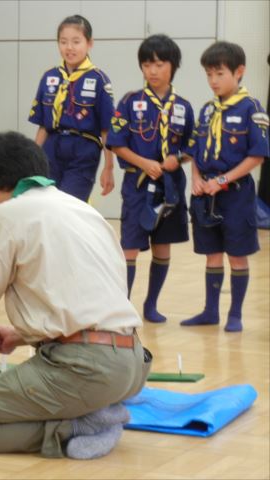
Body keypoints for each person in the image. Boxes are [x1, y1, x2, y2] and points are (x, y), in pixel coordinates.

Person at [0, 132, 151, 459]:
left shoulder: (5, 214)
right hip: (133, 363)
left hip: (84, 370)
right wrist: (23, 335)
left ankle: (77, 427)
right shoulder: (84, 210)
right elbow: (93, 307)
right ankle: (93, 411)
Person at [181, 41, 269, 332]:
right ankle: (210, 311)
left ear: (239, 71)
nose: (213, 81)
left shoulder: (251, 109)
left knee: (237, 252)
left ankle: (235, 315)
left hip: (235, 194)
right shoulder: (207, 111)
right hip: (206, 195)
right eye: (209, 74)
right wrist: (196, 178)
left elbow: (257, 155)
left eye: (219, 73)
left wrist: (223, 180)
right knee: (212, 252)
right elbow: (194, 151)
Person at [106, 35, 194, 323]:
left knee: (163, 244)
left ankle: (151, 305)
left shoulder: (183, 106)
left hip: (169, 185)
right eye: (147, 64)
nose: (152, 71)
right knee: (129, 245)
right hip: (138, 183)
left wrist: (176, 159)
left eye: (159, 64)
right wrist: (144, 162)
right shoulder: (130, 102)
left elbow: (192, 147)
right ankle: (122, 307)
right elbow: (117, 143)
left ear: (173, 66)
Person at [28, 15, 114, 202]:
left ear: (89, 43)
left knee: (68, 205)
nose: (69, 47)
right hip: (51, 147)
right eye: (63, 42)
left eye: (76, 41)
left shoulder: (99, 79)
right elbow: (43, 125)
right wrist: (33, 158)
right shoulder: (49, 76)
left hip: (84, 148)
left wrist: (109, 168)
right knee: (46, 204)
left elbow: (106, 129)